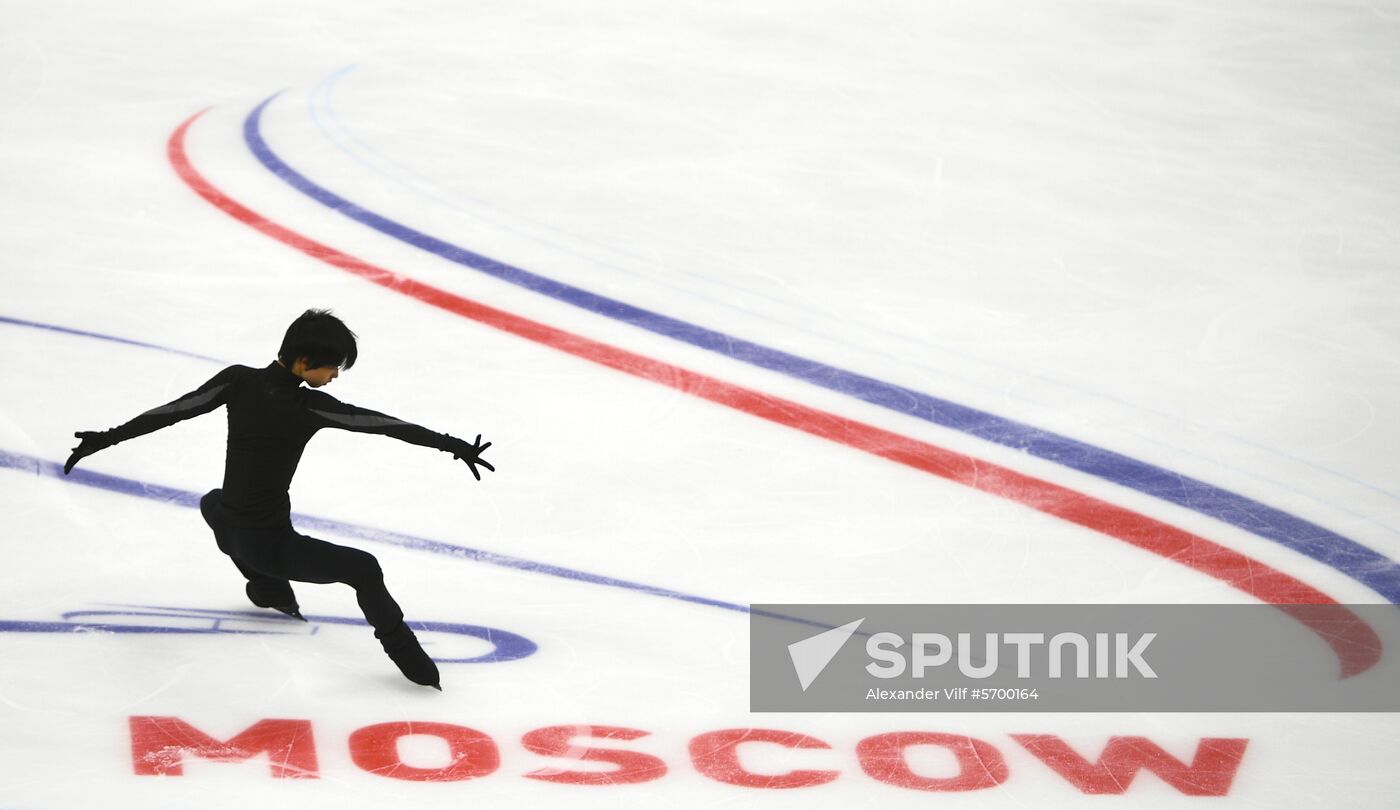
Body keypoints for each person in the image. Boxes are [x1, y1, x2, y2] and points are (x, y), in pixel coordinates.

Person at [62, 309, 493, 690]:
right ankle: (413, 662)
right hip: (266, 545)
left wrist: (107, 438)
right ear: (304, 362)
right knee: (364, 568)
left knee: (212, 502)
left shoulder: (237, 379)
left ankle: (267, 588)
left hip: (227, 521)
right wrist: (452, 445)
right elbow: (379, 423)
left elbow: (176, 410)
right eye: (332, 368)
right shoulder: (309, 408)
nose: (335, 376)